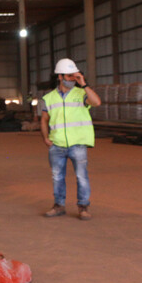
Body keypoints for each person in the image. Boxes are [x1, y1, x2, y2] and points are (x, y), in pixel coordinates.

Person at [40, 58, 101, 221]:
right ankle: (59, 206)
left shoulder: (81, 94)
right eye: (69, 77)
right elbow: (44, 120)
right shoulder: (49, 98)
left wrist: (84, 84)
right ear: (60, 76)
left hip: (78, 144)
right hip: (57, 145)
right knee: (57, 177)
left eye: (75, 76)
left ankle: (83, 207)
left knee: (81, 176)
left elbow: (97, 102)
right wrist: (46, 138)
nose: (72, 80)